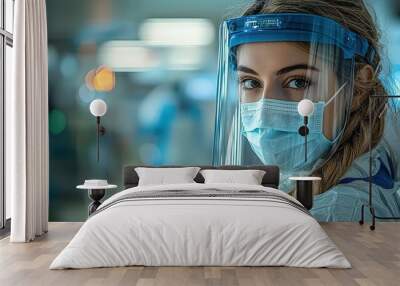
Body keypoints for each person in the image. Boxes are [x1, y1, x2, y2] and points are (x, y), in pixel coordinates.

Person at [213, 0, 400, 221]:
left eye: (298, 82)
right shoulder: (372, 159)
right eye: (251, 83)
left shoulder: (333, 216)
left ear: (357, 87)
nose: (265, 111)